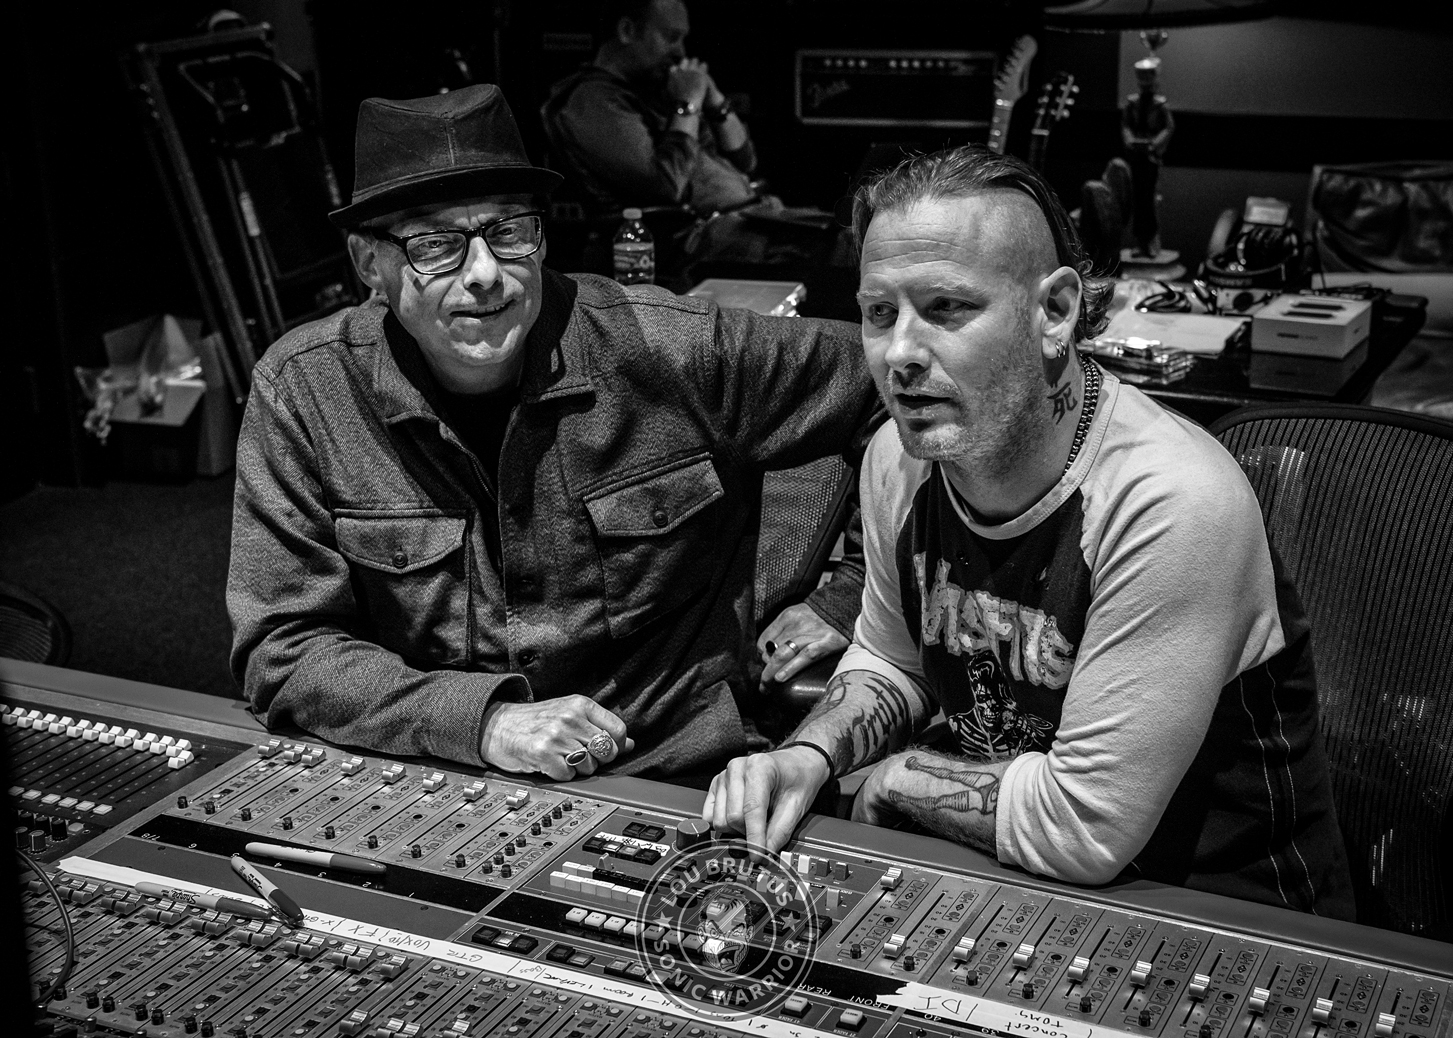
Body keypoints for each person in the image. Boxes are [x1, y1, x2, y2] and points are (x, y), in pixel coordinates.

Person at [703, 147, 1356, 919]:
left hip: (1215, 907)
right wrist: (809, 756)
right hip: (1002, 866)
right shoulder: (899, 458)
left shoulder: (1170, 498)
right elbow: (891, 655)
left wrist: (897, 779)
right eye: (879, 312)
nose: (900, 352)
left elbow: (1084, 825)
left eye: (946, 307)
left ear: (1055, 312)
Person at [227, 84, 878, 786]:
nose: (485, 275)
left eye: (509, 231)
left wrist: (854, 600)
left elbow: (893, 383)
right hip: (433, 775)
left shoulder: (672, 347)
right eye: (435, 245)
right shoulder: (304, 390)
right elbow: (284, 647)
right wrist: (484, 722)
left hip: (673, 770)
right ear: (367, 263)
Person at [541, 0, 836, 265]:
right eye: (671, 37)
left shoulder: (659, 90)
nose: (681, 52)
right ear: (627, 31)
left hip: (748, 218)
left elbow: (745, 160)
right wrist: (688, 104)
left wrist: (714, 99)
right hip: (688, 241)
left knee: (845, 231)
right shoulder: (593, 100)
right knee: (839, 247)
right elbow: (666, 184)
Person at [1121, 57, 1175, 258]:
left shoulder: (1160, 106)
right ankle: (1139, 242)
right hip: (1136, 157)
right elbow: (1126, 126)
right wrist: (1130, 141)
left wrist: (1154, 145)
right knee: (1137, 200)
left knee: (1151, 200)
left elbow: (1168, 128)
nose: (1145, 85)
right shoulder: (1132, 104)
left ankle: (1151, 241)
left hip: (1151, 158)